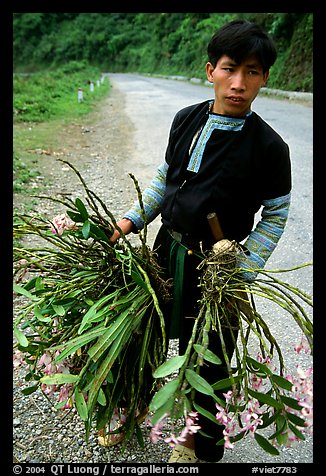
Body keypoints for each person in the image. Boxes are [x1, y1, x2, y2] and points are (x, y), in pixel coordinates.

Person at [110, 19, 292, 463]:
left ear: (265, 78)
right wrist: (131, 219)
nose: (239, 83)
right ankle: (131, 401)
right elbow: (164, 179)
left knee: (210, 354)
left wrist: (242, 267)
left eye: (252, 71)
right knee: (142, 331)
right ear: (211, 70)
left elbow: (276, 216)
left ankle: (196, 440)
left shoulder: (270, 147)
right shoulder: (186, 119)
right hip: (166, 249)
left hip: (219, 270)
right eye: (231, 69)